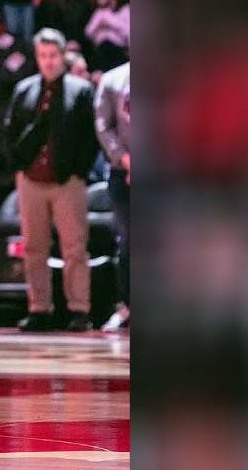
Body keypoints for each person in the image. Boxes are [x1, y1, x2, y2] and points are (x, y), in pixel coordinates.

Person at [4, 29, 98, 332]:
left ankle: (79, 309)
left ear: (63, 56)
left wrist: (78, 170)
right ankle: (39, 308)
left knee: (74, 247)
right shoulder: (24, 90)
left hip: (66, 180)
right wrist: (19, 166)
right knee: (33, 247)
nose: (48, 61)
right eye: (43, 56)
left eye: (53, 55)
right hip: (31, 178)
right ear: (37, 57)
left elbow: (90, 135)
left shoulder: (80, 90)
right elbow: (10, 131)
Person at [94, 61, 130, 331]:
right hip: (123, 172)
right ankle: (127, 305)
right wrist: (126, 159)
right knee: (128, 240)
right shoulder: (113, 79)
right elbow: (103, 126)